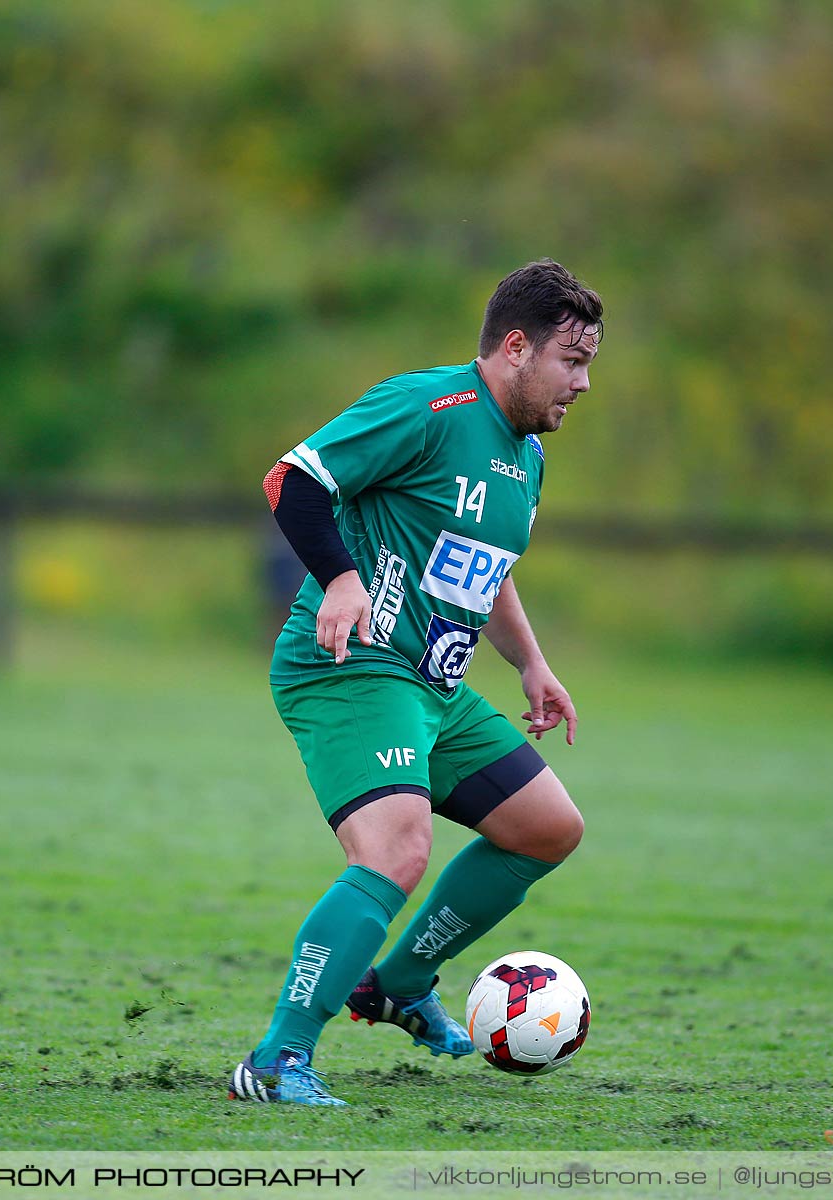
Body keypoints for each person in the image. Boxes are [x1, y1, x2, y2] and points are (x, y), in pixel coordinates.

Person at [229, 260, 601, 1105]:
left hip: (433, 686)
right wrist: (338, 578)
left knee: (547, 828)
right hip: (355, 663)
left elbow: (487, 570)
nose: (582, 383)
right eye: (570, 361)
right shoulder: (428, 407)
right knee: (395, 852)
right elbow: (293, 482)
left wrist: (531, 663)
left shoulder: (529, 458)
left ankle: (395, 984)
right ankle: (277, 1060)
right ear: (515, 347)